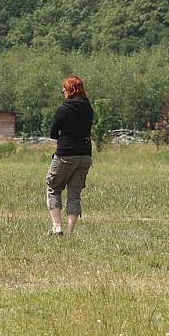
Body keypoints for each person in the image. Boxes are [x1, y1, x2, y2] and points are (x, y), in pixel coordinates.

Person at [46, 75, 94, 235]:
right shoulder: (88, 108)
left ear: (70, 90)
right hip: (85, 155)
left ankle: (57, 226)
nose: (63, 91)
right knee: (74, 193)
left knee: (53, 187)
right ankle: (70, 232)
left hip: (66, 154)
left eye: (64, 89)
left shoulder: (64, 109)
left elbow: (53, 133)